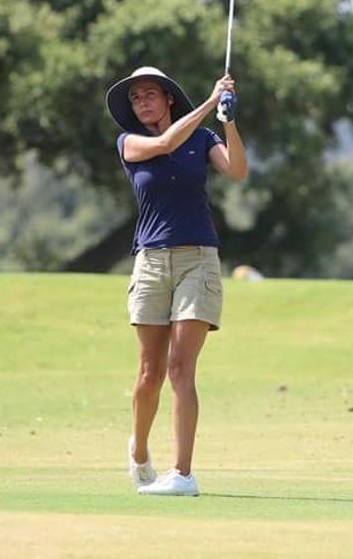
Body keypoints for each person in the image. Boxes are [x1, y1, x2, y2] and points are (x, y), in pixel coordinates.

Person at [105, 65, 247, 496]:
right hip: (150, 262)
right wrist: (210, 100)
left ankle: (183, 475)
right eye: (135, 98)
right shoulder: (130, 143)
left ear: (168, 98)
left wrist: (228, 120)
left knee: (180, 368)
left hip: (198, 260)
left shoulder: (203, 139)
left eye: (150, 93)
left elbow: (238, 170)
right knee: (150, 373)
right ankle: (140, 450)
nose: (142, 101)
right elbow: (166, 142)